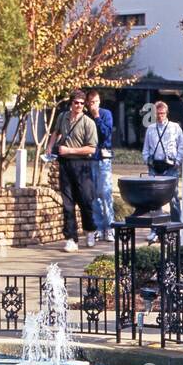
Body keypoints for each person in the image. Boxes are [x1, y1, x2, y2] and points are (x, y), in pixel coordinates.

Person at [46, 90, 98, 252]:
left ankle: (90, 230)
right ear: (71, 103)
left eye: (82, 103)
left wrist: (69, 150)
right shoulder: (63, 117)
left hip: (82, 165)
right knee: (67, 204)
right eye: (76, 103)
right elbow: (56, 132)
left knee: (85, 201)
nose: (79, 106)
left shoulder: (88, 123)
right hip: (65, 165)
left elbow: (91, 149)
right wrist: (50, 146)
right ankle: (71, 238)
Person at [142, 99, 183, 241]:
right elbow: (146, 148)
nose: (160, 116)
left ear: (166, 113)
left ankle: (176, 227)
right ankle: (154, 230)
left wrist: (177, 162)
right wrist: (147, 160)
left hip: (171, 166)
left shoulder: (175, 128)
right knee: (154, 200)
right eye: (158, 113)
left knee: (173, 197)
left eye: (162, 113)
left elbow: (181, 146)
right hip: (155, 166)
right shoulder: (150, 129)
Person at [86, 91, 115, 242]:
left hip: (104, 158)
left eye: (96, 101)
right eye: (91, 102)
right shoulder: (85, 116)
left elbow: (106, 134)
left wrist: (97, 116)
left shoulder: (105, 114)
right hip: (90, 158)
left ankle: (109, 227)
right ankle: (97, 227)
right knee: (94, 194)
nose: (94, 105)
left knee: (105, 192)